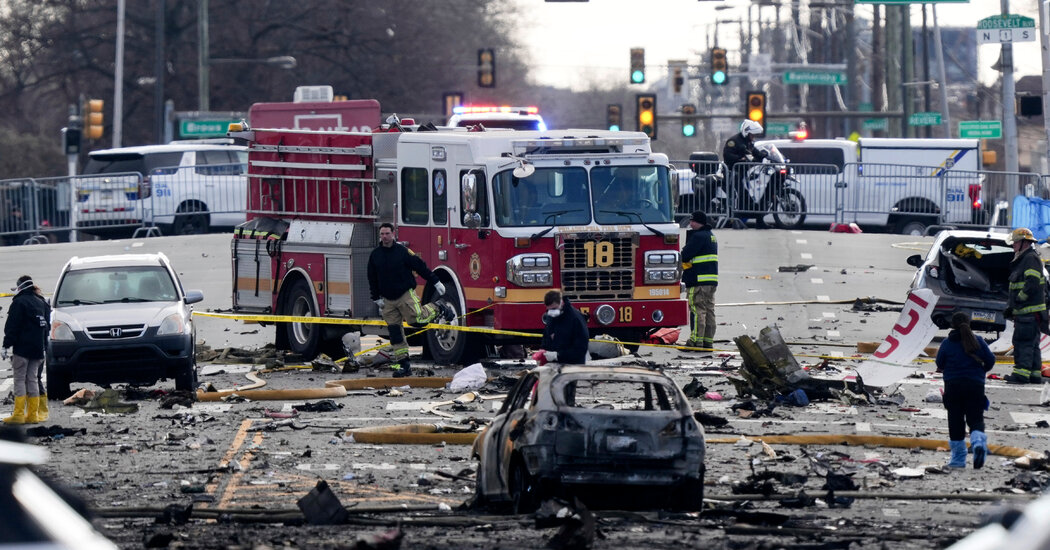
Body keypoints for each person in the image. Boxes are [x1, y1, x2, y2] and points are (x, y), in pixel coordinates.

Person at [367, 223, 455, 377]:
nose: (384, 237)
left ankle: (439, 308)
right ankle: (404, 365)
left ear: (393, 234)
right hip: (387, 300)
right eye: (382, 234)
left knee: (417, 320)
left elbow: (420, 267)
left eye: (387, 233)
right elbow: (371, 277)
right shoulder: (375, 255)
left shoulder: (403, 252)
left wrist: (435, 281)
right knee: (395, 333)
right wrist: (376, 298)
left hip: (405, 294)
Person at [935, 312, 995, 469]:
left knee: (955, 421)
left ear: (952, 325)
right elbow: (990, 360)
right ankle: (978, 442)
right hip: (975, 385)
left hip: (953, 386)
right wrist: (981, 371)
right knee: (975, 418)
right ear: (969, 324)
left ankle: (958, 459)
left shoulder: (947, 343)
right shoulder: (979, 341)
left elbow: (939, 363)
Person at [2, 275, 50, 424]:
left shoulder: (19, 302)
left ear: (20, 287)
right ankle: (33, 415)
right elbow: (46, 327)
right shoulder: (41, 302)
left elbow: (12, 327)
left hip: (22, 350)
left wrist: (5, 345)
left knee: (19, 380)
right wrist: (44, 348)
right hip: (38, 350)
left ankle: (18, 415)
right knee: (33, 380)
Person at [1004, 227, 1047, 384]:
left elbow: (1032, 282)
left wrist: (1019, 300)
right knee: (1032, 344)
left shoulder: (1029, 259)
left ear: (1024, 243)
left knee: (1022, 343)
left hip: (1027, 311)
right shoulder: (1026, 258)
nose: (1013, 245)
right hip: (1030, 312)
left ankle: (1021, 375)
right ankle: (1034, 374)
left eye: (1015, 243)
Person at [681, 211, 718, 351]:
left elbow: (685, 255)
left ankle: (695, 341)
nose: (690, 224)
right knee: (709, 310)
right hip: (711, 281)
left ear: (699, 222)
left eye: (693, 221)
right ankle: (708, 341)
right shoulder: (711, 236)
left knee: (697, 310)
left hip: (698, 281)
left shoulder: (698, 236)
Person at [722, 120, 769, 220]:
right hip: (732, 173)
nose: (753, 137)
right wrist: (740, 159)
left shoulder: (748, 142)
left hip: (743, 174)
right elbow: (727, 155)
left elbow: (754, 152)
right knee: (741, 194)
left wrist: (764, 154)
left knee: (749, 195)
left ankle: (754, 218)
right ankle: (737, 218)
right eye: (752, 135)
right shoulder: (734, 141)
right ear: (747, 132)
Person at [536, 289, 589, 365]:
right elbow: (547, 336)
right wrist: (542, 351)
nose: (551, 311)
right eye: (549, 309)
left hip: (572, 367)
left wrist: (557, 355)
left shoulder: (575, 318)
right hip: (553, 366)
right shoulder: (551, 317)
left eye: (554, 308)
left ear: (562, 302)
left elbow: (580, 349)